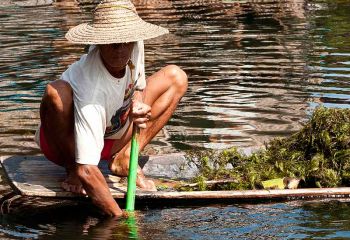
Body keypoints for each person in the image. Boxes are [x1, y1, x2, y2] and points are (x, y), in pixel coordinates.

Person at [35, 0, 188, 217]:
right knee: (56, 93)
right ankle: (71, 168)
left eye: (127, 42)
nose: (121, 50)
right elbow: (87, 169)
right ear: (99, 43)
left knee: (176, 77)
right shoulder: (92, 87)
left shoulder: (135, 42)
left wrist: (138, 103)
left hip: (112, 134)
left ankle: (125, 158)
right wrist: (120, 219)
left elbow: (139, 85)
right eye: (113, 44)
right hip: (65, 143)